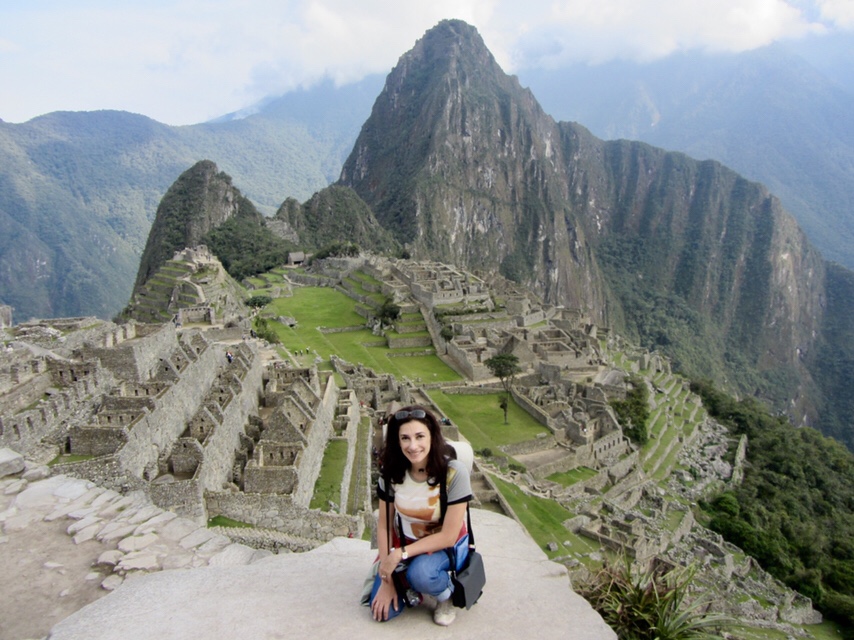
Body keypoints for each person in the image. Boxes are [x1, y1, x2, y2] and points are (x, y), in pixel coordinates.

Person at [369, 405, 471, 626]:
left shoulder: (453, 473)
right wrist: (386, 579)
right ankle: (412, 585)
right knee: (384, 612)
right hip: (406, 543)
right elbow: (385, 526)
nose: (413, 446)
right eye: (405, 438)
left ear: (432, 436)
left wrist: (399, 555)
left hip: (445, 547)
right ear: (397, 441)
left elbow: (448, 536)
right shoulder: (391, 474)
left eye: (419, 436)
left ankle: (445, 595)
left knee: (421, 574)